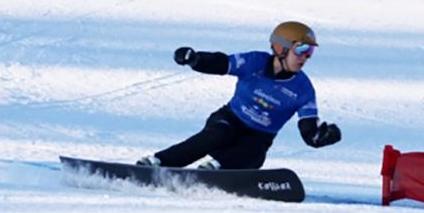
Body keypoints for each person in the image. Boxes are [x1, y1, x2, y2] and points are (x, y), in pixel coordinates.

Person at [137, 21, 341, 170]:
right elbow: (221, 63)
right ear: (281, 48)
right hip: (230, 120)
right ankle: (158, 162)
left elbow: (308, 129)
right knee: (216, 135)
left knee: (254, 152)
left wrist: (319, 138)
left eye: (310, 52)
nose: (305, 57)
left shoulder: (304, 89)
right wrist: (195, 59)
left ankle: (215, 169)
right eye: (301, 50)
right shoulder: (255, 62)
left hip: (259, 137)